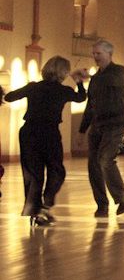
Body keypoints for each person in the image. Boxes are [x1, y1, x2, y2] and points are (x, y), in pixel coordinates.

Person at [4, 56, 87, 226]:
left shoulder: (33, 87)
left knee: (33, 174)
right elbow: (81, 98)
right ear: (63, 73)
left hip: (29, 132)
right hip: (49, 133)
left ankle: (33, 209)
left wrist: (27, 89)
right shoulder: (63, 91)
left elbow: (10, 97)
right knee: (57, 170)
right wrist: (78, 81)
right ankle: (45, 206)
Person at [80, 39, 124, 217]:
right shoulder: (95, 78)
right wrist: (82, 129)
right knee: (93, 165)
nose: (95, 57)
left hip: (115, 122)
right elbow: (90, 104)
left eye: (98, 53)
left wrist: (89, 78)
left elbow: (112, 82)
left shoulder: (118, 71)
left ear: (109, 54)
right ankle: (102, 205)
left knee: (105, 159)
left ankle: (123, 198)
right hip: (97, 124)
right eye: (93, 54)